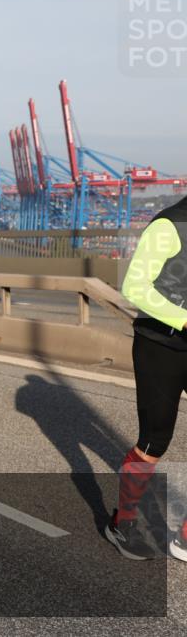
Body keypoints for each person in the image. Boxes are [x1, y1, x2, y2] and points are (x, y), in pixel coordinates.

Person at [106, 196, 187, 562]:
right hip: (161, 346)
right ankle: (122, 521)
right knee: (155, 442)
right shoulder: (169, 225)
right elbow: (135, 288)